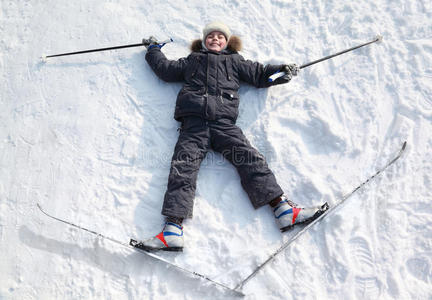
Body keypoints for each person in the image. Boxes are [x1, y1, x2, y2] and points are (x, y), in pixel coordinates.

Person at [133, 21, 328, 252]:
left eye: (220, 37)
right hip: (193, 127)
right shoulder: (192, 61)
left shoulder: (235, 61)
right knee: (182, 170)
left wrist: (281, 72)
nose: (215, 39)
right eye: (210, 37)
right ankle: (172, 231)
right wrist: (154, 50)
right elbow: (166, 70)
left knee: (250, 160)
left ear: (227, 42)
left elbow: (261, 75)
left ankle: (284, 210)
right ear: (204, 41)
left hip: (224, 126)